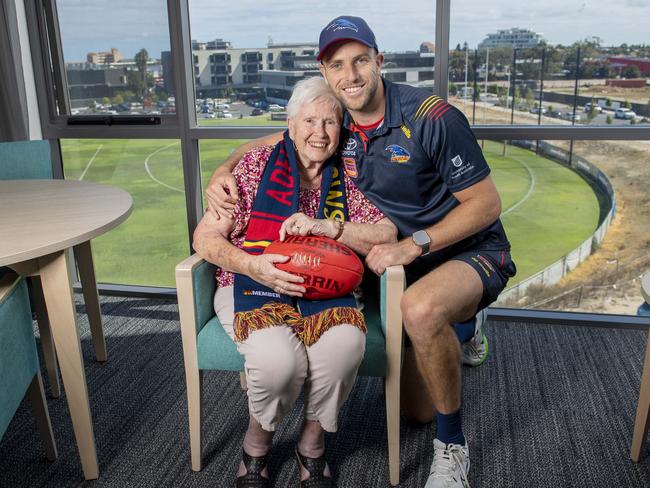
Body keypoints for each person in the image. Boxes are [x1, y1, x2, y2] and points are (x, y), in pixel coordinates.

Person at [205, 16, 516, 488]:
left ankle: (453, 448)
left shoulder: (433, 117)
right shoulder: (339, 118)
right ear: (326, 73)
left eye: (360, 61)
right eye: (337, 65)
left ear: (379, 61)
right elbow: (278, 138)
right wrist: (223, 170)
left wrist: (413, 244)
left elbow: (487, 203)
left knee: (422, 308)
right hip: (394, 257)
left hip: (461, 247)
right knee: (417, 412)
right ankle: (464, 324)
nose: (350, 76)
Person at [193, 76, 397, 488]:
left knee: (344, 347)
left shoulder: (352, 176)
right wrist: (251, 265)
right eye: (309, 121)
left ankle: (312, 442)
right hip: (252, 283)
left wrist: (329, 227)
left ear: (342, 130)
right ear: (290, 124)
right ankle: (257, 442)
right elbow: (204, 238)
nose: (319, 133)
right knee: (278, 363)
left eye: (330, 123)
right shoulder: (251, 169)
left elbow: (387, 232)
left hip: (328, 288)